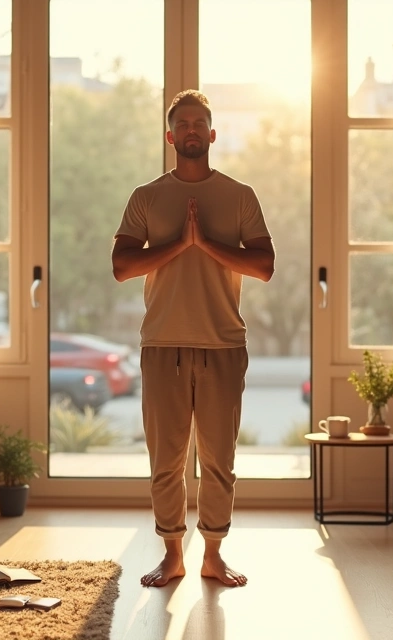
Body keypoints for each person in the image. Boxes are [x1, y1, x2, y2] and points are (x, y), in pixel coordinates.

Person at [110, 90, 276, 588]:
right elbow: (121, 267)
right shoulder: (146, 196)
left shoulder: (240, 195)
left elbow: (264, 266)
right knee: (167, 461)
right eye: (182, 122)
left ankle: (214, 555)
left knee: (219, 460)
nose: (190, 129)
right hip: (162, 344)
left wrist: (205, 243)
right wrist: (179, 243)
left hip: (224, 344)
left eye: (199, 121)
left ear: (212, 133)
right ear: (170, 136)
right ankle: (172, 555)